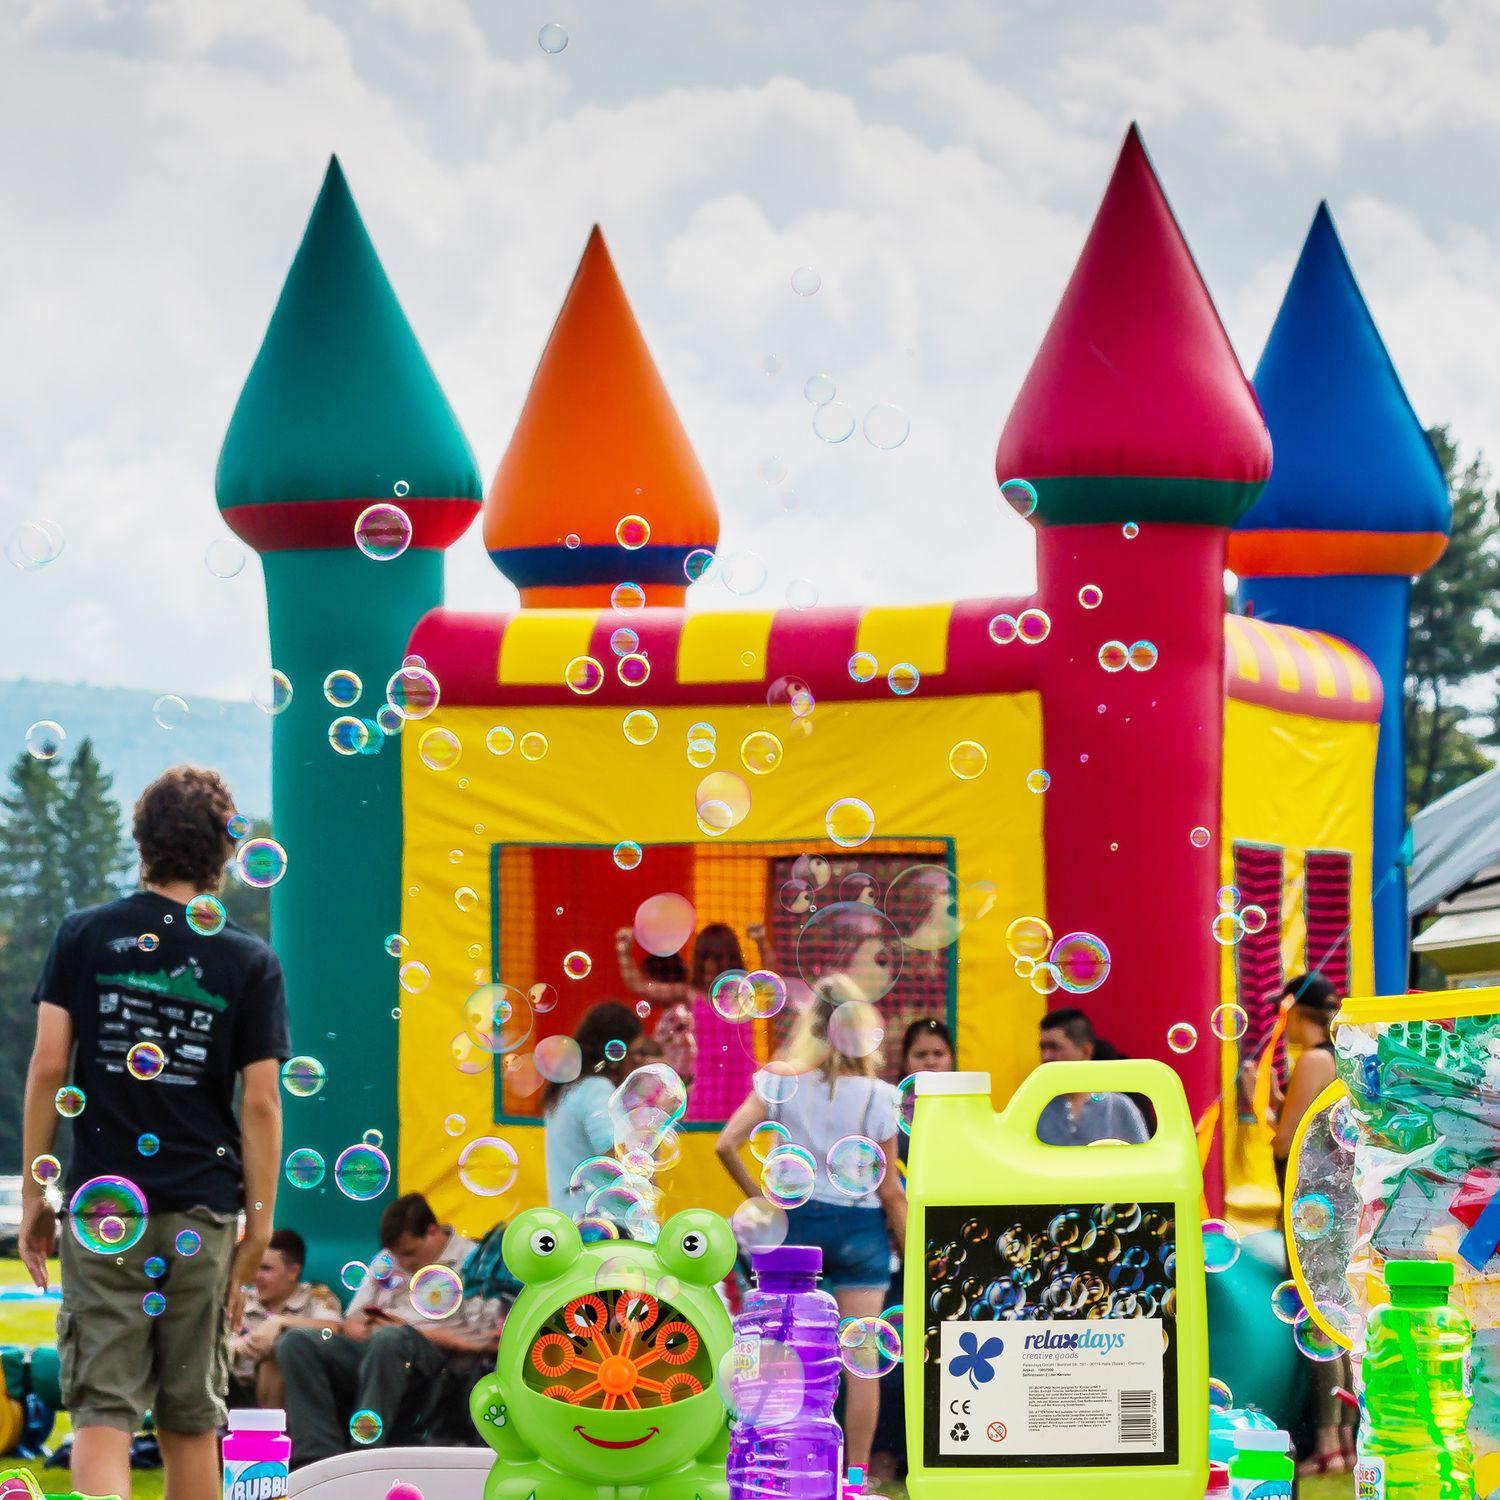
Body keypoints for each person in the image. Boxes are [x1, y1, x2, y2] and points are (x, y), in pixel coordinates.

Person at [18, 765, 288, 1500]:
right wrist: (258, 1228)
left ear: (142, 841)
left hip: (107, 1205)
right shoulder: (248, 959)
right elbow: (262, 1105)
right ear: (225, 853)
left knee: (102, 1410)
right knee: (190, 1420)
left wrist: (38, 1191)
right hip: (204, 1206)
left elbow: (48, 1068)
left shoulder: (86, 935)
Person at [715, 977, 906, 1472]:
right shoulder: (880, 1095)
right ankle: (856, 1478)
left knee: (788, 1358)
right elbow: (890, 1191)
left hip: (795, 1232)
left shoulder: (782, 1081)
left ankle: (787, 1468)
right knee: (863, 1363)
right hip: (860, 1230)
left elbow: (725, 1144)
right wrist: (911, 1250)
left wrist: (764, 1204)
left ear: (811, 1024)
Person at [276, 1194, 496, 1465]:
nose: (402, 1263)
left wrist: (405, 1328)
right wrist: (364, 1327)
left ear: (432, 1232)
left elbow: (478, 1338)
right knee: (296, 1342)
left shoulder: (472, 1261)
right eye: (396, 1255)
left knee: (391, 1339)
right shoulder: (388, 1259)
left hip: (437, 1361)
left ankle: (364, 1456)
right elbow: (352, 1320)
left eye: (409, 1254)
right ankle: (317, 1457)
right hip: (378, 1349)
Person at [1270, 973, 1353, 1476]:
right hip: (1334, 1208)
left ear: (1297, 1012)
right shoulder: (1340, 1057)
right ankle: (1344, 1443)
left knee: (1317, 1321)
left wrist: (1264, 1113)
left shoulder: (1314, 1058)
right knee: (1334, 1319)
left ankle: (1325, 1446)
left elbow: (1286, 1143)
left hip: (1308, 1211)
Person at [871, 1017, 954, 1484]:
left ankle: (933, 1452)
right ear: (905, 1063)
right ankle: (885, 1456)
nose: (930, 1063)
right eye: (920, 1055)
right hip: (899, 1257)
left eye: (937, 1054)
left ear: (952, 1059)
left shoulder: (965, 1119)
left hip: (947, 1256)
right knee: (892, 1360)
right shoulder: (892, 1123)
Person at [616, 921, 776, 1121]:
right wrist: (624, 949)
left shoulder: (745, 993)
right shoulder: (692, 994)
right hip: (707, 1088)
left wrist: (761, 941)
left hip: (740, 1083)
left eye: (716, 959)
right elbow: (637, 984)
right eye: (704, 958)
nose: (709, 965)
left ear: (729, 959)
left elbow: (770, 977)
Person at [542, 1001, 644, 1216]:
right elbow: (615, 1156)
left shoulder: (566, 1090)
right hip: (603, 1228)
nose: (636, 1062)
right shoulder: (596, 1088)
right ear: (616, 1051)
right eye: (634, 1054)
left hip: (570, 1222)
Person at [228, 1228, 341, 1408]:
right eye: (255, 1266)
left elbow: (333, 1327)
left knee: (276, 1354)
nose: (257, 1276)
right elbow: (211, 1344)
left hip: (295, 1399)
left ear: (293, 1272)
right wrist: (238, 1346)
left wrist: (280, 1322)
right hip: (236, 1392)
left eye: (266, 1268)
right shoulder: (242, 1300)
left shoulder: (315, 1297)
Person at [1035, 1008, 1150, 1145]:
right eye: (1042, 1048)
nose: (1045, 1057)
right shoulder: (1036, 1108)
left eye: (1054, 1047)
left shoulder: (1119, 1107)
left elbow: (1145, 1162)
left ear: (1085, 1051)